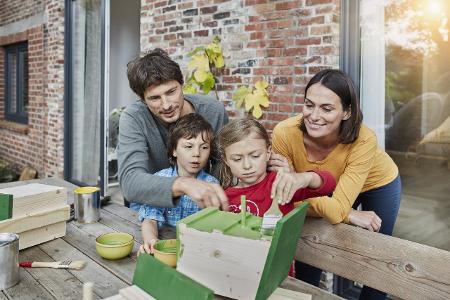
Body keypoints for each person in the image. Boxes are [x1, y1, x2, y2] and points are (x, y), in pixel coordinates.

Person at [270, 69, 401, 300]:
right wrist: (347, 213)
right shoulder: (284, 134)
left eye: (327, 108)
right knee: (309, 244)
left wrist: (336, 207)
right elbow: (285, 201)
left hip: (376, 183)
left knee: (377, 259)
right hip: (325, 186)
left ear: (346, 112)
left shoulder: (365, 139)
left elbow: (298, 197)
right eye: (309, 105)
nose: (314, 116)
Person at [118, 48, 229, 212]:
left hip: (199, 212)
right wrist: (183, 184)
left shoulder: (213, 111)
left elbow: (225, 165)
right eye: (155, 98)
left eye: (171, 92)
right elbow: (130, 182)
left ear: (182, 85)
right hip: (149, 214)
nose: (166, 105)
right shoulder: (133, 118)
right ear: (142, 99)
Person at [215, 118, 336, 218]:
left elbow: (329, 184)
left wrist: (305, 178)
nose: (247, 166)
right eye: (237, 159)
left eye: (255, 156)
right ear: (226, 160)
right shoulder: (225, 197)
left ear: (268, 152)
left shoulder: (280, 184)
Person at [135, 114, 219, 255]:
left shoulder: (212, 185)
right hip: (164, 247)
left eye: (204, 147)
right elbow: (150, 218)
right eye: (188, 146)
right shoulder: (160, 180)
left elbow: (212, 228)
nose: (196, 154)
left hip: (196, 251)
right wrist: (151, 240)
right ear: (174, 150)